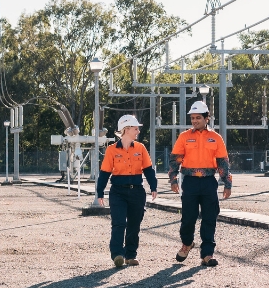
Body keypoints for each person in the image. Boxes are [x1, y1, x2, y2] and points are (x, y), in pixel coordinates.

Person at [169, 100, 231, 267]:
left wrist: (227, 183)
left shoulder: (216, 138)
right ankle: (187, 243)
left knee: (209, 218)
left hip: (209, 182)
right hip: (189, 182)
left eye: (198, 117)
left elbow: (223, 163)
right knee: (188, 218)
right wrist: (173, 179)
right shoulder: (184, 137)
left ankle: (207, 254)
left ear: (206, 118)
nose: (194, 121)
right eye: (192, 118)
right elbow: (175, 160)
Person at [95, 115, 158, 268]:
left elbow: (148, 170)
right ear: (126, 129)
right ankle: (117, 254)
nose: (138, 131)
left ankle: (130, 255)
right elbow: (104, 173)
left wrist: (153, 186)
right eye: (135, 128)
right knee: (119, 223)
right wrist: (100, 192)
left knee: (134, 225)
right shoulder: (111, 150)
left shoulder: (140, 148)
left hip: (137, 192)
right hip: (118, 192)